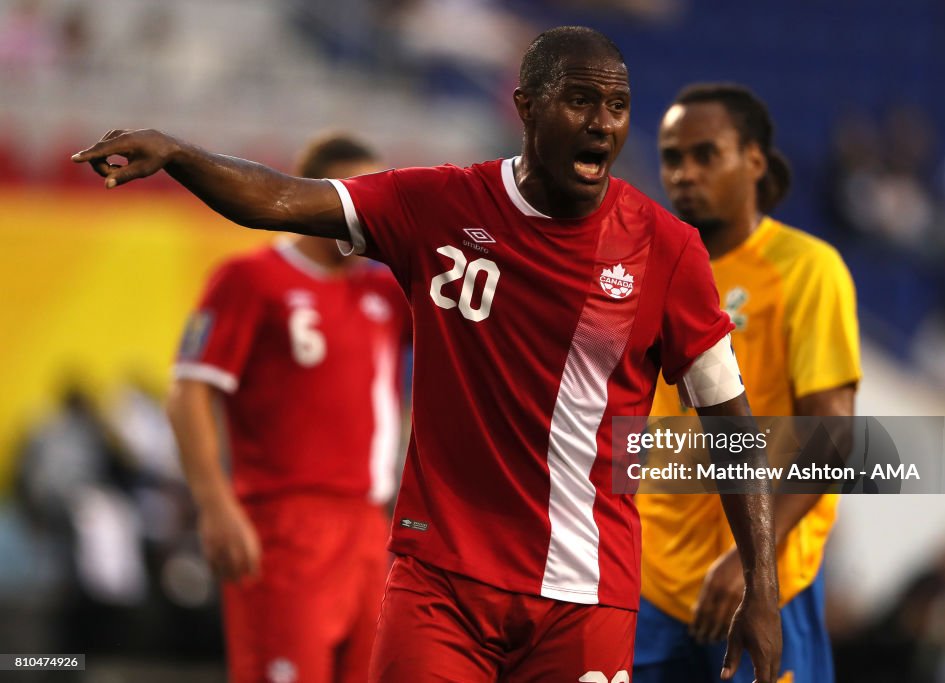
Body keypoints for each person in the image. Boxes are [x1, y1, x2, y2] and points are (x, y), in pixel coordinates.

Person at [73, 26, 782, 682]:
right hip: (439, 579)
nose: (604, 122)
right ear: (526, 108)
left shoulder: (667, 247)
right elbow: (284, 200)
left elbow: (730, 420)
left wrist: (762, 583)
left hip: (585, 593)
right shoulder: (438, 204)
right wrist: (181, 154)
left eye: (619, 105)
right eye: (581, 101)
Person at [634, 83, 861, 683]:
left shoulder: (806, 270)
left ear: (754, 161)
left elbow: (833, 439)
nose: (684, 173)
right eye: (672, 158)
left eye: (706, 154)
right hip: (646, 577)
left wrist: (750, 561)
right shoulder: (644, 268)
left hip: (768, 583)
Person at [165, 134, 409, 683]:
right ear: (313, 199)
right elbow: (188, 393)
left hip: (369, 527)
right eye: (354, 195)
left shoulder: (382, 294)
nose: (367, 212)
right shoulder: (251, 280)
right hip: (284, 521)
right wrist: (216, 505)